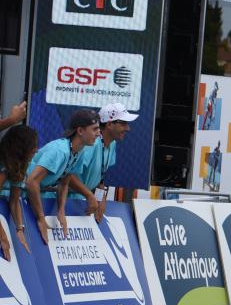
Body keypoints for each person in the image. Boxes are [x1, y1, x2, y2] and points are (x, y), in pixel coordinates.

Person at [25, 109, 101, 246]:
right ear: (80, 131)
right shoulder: (60, 151)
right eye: (95, 129)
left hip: (26, 193)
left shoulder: (79, 150)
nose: (98, 133)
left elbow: (64, 183)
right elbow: (31, 182)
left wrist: (61, 211)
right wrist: (41, 219)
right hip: (10, 190)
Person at [66, 103, 136, 223]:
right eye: (123, 124)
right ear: (109, 124)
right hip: (66, 201)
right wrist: (89, 195)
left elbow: (100, 178)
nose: (128, 128)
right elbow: (68, 175)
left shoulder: (112, 143)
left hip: (83, 202)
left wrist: (101, 198)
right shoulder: (91, 143)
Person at [0, 125, 38, 258]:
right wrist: (3, 237)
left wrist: (20, 229)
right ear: (21, 149)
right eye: (32, 146)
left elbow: (14, 201)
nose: (36, 150)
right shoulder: (3, 166)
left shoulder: (19, 164)